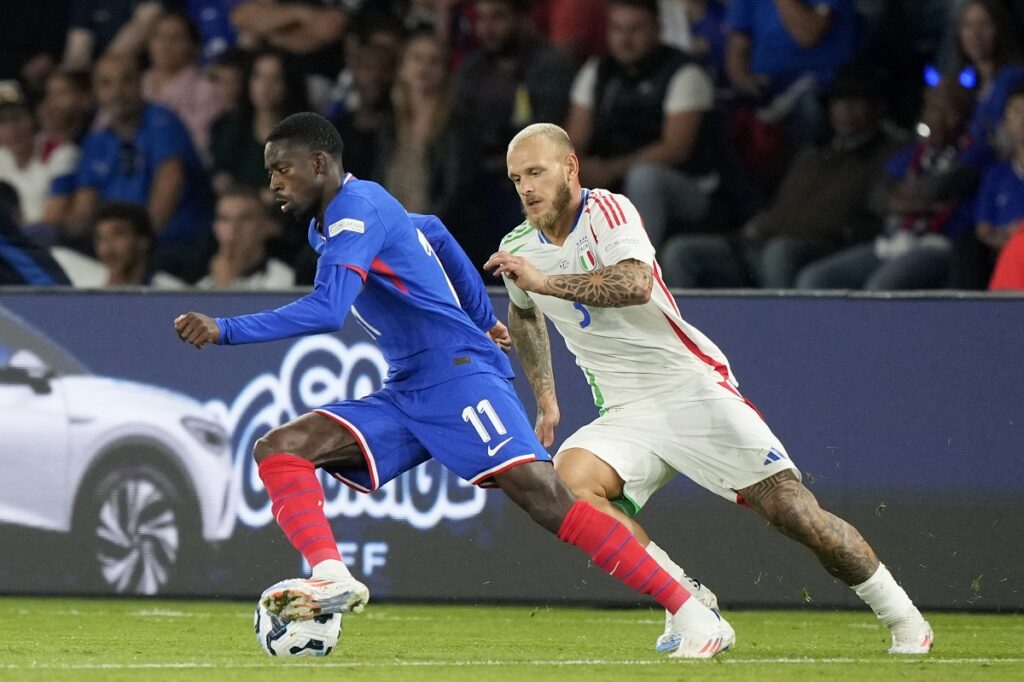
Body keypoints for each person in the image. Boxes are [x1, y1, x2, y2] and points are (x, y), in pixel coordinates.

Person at [172, 112, 733, 659]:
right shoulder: (342, 217)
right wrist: (481, 313)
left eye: (282, 169)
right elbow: (433, 232)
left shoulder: (355, 212)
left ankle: (689, 608)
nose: (272, 183)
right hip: (410, 386)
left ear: (319, 163)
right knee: (280, 449)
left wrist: (225, 329)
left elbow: (327, 310)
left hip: (459, 378)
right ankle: (331, 575)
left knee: (546, 497)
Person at [484, 122, 933, 655]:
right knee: (569, 486)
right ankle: (690, 605)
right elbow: (525, 312)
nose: (527, 188)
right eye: (517, 179)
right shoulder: (516, 246)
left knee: (794, 512)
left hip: (692, 389)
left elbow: (635, 283)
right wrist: (547, 398)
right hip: (626, 412)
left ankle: (904, 618)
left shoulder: (608, 212)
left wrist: (546, 282)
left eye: (536, 172)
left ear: (571, 167)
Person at [659, 73, 900, 288]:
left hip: (820, 251)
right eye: (839, 101)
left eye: (856, 101)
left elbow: (868, 219)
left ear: (875, 107)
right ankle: (685, 337)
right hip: (761, 242)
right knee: (680, 252)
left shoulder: (888, 156)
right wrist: (755, 230)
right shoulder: (812, 154)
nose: (845, 110)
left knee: (779, 252)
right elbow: (781, 207)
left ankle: (784, 335)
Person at [794, 78, 983, 290]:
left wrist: (909, 195)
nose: (938, 119)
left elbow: (939, 187)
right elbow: (878, 198)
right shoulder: (915, 152)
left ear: (965, 114)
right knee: (815, 279)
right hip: (896, 240)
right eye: (933, 110)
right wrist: (915, 201)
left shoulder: (976, 151)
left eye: (948, 111)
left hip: (940, 242)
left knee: (880, 288)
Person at [566, 0, 723, 248]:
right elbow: (574, 140)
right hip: (612, 176)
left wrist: (612, 170)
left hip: (689, 187)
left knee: (644, 178)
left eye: (635, 30)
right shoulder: (598, 70)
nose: (625, 40)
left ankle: (636, 275)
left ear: (658, 29)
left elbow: (675, 149)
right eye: (617, 30)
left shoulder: (685, 72)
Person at [56, 53, 215, 282]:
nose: (118, 91)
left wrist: (139, 241)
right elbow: (84, 207)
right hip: (115, 249)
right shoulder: (97, 140)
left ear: (141, 83)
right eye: (106, 84)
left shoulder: (162, 122)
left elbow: (170, 181)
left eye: (126, 80)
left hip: (171, 245)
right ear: (96, 92)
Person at [196, 189, 295, 289]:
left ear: (265, 227)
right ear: (215, 228)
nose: (233, 229)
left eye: (245, 219)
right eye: (225, 219)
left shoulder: (282, 278)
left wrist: (225, 285)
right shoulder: (200, 282)